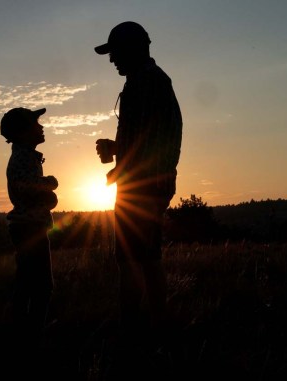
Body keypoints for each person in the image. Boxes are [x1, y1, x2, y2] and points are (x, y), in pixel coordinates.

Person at [94, 21, 183, 351]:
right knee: (147, 257)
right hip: (150, 183)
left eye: (114, 52)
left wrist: (117, 172)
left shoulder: (145, 83)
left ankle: (130, 333)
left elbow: (147, 145)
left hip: (142, 187)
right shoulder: (149, 81)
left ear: (133, 49)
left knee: (131, 259)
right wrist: (116, 150)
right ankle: (157, 327)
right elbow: (149, 137)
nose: (111, 59)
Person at [0, 107, 58, 343]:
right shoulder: (24, 157)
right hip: (29, 228)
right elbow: (26, 186)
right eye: (36, 124)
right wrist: (50, 184)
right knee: (42, 285)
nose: (41, 127)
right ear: (23, 133)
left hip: (28, 226)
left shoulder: (26, 155)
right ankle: (32, 333)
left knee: (29, 282)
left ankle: (24, 330)